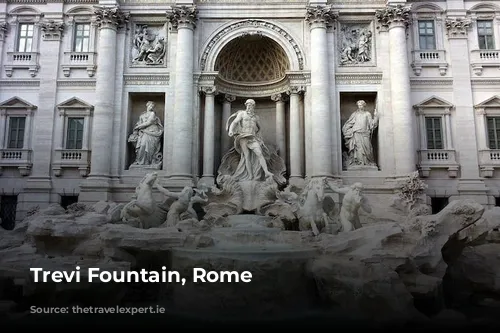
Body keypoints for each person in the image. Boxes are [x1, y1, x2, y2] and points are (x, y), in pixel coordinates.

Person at [225, 99, 274, 181]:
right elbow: (234, 122)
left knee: (259, 153)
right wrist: (231, 130)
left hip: (252, 137)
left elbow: (259, 128)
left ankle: (266, 172)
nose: (249, 106)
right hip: (243, 136)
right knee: (246, 156)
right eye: (247, 105)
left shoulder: (256, 117)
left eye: (250, 105)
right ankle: (250, 176)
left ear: (253, 106)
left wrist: (259, 138)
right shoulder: (242, 114)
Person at [341, 100, 379, 167]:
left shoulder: (367, 114)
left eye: (361, 105)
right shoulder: (355, 114)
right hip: (356, 133)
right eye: (358, 105)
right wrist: (346, 129)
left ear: (364, 105)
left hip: (365, 133)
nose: (359, 106)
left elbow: (371, 125)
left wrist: (375, 117)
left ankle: (368, 162)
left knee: (368, 148)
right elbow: (349, 123)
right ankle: (359, 162)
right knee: (358, 148)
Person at [128, 101, 164, 166]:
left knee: (147, 146)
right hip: (143, 132)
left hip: (152, 131)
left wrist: (139, 127)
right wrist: (136, 131)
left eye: (152, 106)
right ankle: (140, 161)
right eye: (150, 106)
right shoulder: (142, 115)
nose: (151, 107)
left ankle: (147, 162)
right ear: (147, 106)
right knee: (142, 145)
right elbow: (139, 123)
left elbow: (149, 122)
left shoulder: (152, 113)